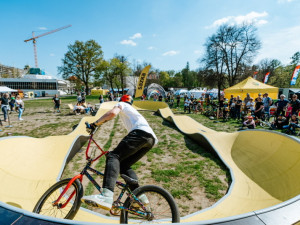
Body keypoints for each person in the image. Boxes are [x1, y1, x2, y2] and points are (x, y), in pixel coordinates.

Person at [81, 95, 158, 210]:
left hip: (140, 133)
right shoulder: (132, 112)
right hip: (150, 140)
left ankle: (106, 196)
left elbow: (112, 113)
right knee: (123, 165)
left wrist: (94, 124)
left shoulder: (123, 105)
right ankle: (140, 197)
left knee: (113, 156)